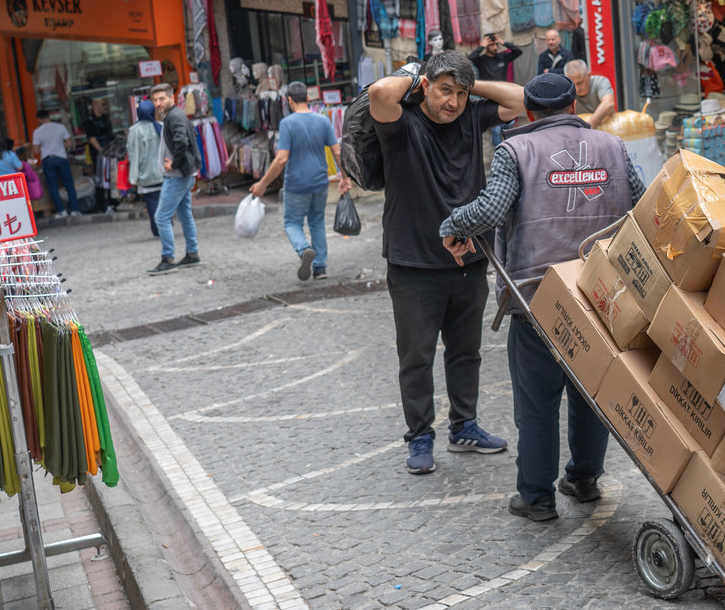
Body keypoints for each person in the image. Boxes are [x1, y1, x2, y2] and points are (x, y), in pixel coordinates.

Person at [440, 73, 645, 521]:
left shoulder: (515, 150)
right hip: (599, 291)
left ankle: (536, 497)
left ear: (529, 113)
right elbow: (641, 204)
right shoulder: (614, 146)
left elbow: (491, 210)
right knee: (592, 391)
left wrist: (453, 224)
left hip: (538, 296)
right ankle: (584, 479)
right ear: (574, 103)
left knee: (537, 403)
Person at [369, 50, 524, 475]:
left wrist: (470, 84)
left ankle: (464, 426)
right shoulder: (401, 125)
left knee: (465, 352)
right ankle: (420, 435)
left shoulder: (472, 117)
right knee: (416, 357)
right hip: (413, 264)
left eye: (459, 93)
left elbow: (521, 99)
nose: (452, 102)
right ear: (425, 87)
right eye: (444, 91)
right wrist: (420, 71)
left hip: (469, 259)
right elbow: (381, 91)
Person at [249, 81, 352, 281]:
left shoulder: (287, 123)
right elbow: (337, 151)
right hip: (320, 181)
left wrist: (262, 184)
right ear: (307, 98)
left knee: (292, 222)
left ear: (288, 101)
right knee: (317, 222)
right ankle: (320, 268)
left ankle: (304, 248)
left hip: (297, 184)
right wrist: (345, 178)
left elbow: (282, 158)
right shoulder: (322, 120)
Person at [148, 82, 201, 275]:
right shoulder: (175, 115)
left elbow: (181, 141)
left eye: (162, 98)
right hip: (183, 173)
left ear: (172, 98)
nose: (158, 103)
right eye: (155, 100)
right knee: (184, 214)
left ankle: (168, 258)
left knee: (161, 216)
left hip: (177, 175)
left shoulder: (174, 117)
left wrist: (174, 164)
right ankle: (192, 254)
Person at [469, 33, 523, 147]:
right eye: (492, 45)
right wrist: (481, 46)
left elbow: (518, 51)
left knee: (510, 123)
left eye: (496, 44)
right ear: (487, 45)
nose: (495, 47)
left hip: (503, 95)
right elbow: (470, 59)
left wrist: (504, 43)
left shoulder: (503, 57)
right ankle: (500, 152)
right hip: (487, 97)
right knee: (496, 130)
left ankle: (507, 144)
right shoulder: (481, 60)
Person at [127, 99, 166, 238]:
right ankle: (166, 225)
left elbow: (133, 154)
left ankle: (157, 228)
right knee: (164, 199)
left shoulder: (135, 130)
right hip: (163, 171)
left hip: (146, 173)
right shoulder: (161, 126)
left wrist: (133, 176)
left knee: (152, 201)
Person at [32, 110, 81, 218]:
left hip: (47, 160)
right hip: (61, 158)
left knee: (52, 186)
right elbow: (69, 143)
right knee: (69, 185)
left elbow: (35, 150)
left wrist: (44, 146)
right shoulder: (60, 127)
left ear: (39, 119)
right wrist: (59, 144)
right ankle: (75, 210)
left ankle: (61, 211)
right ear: (49, 116)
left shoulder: (38, 132)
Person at [83, 97, 117, 213]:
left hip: (110, 150)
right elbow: (92, 138)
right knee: (101, 179)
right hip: (100, 153)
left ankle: (113, 202)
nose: (104, 108)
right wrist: (101, 150)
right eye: (102, 105)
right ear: (96, 106)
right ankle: (101, 204)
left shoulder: (106, 118)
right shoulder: (90, 121)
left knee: (111, 176)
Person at [564, 60, 616, 128]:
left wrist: (589, 125)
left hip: (607, 128)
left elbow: (609, 103)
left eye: (579, 83)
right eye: (573, 85)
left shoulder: (600, 82)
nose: (576, 89)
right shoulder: (567, 90)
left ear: (588, 75)